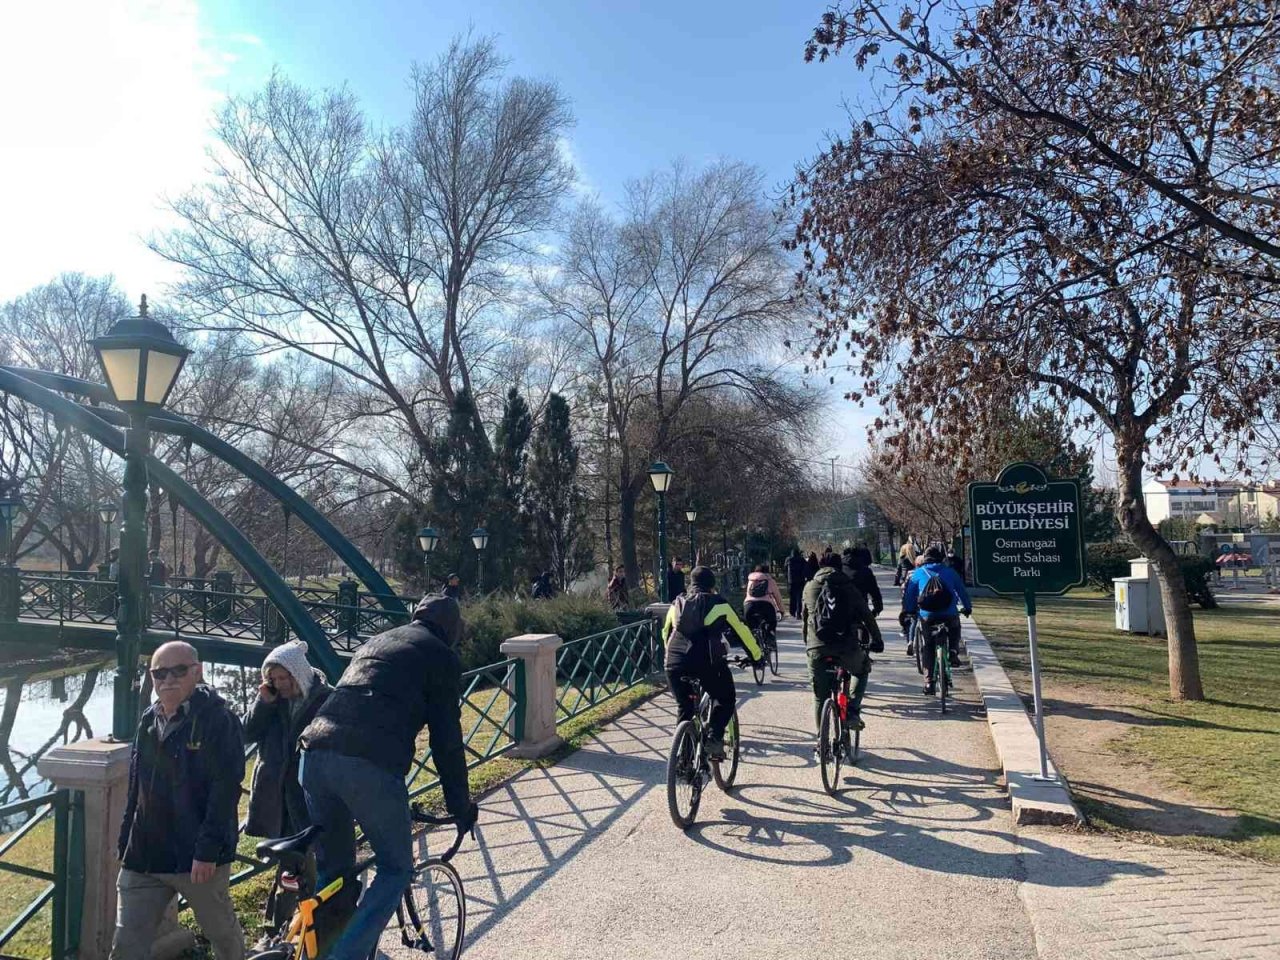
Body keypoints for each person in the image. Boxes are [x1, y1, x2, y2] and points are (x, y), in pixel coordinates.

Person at [299, 594, 477, 960]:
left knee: (334, 871)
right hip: (368, 763)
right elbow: (447, 741)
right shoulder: (440, 655)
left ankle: (314, 949)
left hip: (314, 752)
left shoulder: (377, 641)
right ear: (451, 630)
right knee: (395, 868)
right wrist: (460, 805)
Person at [112, 642, 245, 960]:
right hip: (144, 856)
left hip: (197, 858)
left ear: (197, 672)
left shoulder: (219, 721)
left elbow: (225, 790)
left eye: (179, 670)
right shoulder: (148, 719)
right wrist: (125, 838)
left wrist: (207, 851)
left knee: (222, 935)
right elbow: (136, 785)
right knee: (126, 945)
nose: (168, 679)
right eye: (160, 673)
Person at [243, 640, 332, 932]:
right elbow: (247, 733)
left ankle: (295, 928)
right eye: (274, 679)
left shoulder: (325, 699)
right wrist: (262, 703)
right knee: (291, 868)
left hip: (308, 795)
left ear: (298, 673)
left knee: (302, 867)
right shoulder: (273, 703)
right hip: (277, 800)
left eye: (285, 678)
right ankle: (286, 929)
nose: (280, 684)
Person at [662, 566, 762, 760]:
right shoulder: (719, 604)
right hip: (707, 662)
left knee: (685, 707)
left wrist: (672, 656)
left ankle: (684, 761)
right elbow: (741, 631)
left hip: (674, 662)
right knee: (725, 699)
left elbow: (665, 632)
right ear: (712, 585)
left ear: (691, 583)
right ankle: (714, 739)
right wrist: (756, 656)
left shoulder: (677, 604)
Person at [802, 554, 883, 739]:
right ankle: (853, 711)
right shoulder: (849, 587)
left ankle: (821, 741)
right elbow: (866, 616)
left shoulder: (809, 587)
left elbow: (805, 618)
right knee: (862, 670)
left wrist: (808, 643)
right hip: (847, 647)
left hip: (817, 648)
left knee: (819, 698)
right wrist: (877, 639)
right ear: (840, 567)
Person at [901, 543, 973, 695]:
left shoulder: (918, 574)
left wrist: (910, 611)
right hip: (949, 613)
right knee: (955, 627)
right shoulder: (950, 572)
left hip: (927, 616)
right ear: (941, 558)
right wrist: (967, 607)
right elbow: (962, 592)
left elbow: (909, 596)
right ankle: (953, 652)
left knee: (928, 647)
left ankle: (929, 683)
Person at [743, 563, 784, 642]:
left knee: (751, 629)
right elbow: (777, 597)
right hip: (766, 605)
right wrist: (781, 610)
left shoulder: (750, 580)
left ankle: (754, 643)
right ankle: (770, 641)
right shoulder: (770, 580)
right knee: (771, 624)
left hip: (749, 606)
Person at [842, 546, 884, 617]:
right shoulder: (865, 571)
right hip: (861, 608)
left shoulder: (838, 568)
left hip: (841, 609)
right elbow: (874, 591)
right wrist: (877, 608)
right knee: (872, 627)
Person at [785, 548, 807, 619]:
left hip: (791, 581)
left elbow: (785, 569)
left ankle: (792, 612)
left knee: (792, 597)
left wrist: (787, 577)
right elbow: (806, 569)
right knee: (799, 597)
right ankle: (798, 613)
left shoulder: (788, 560)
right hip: (800, 581)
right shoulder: (802, 560)